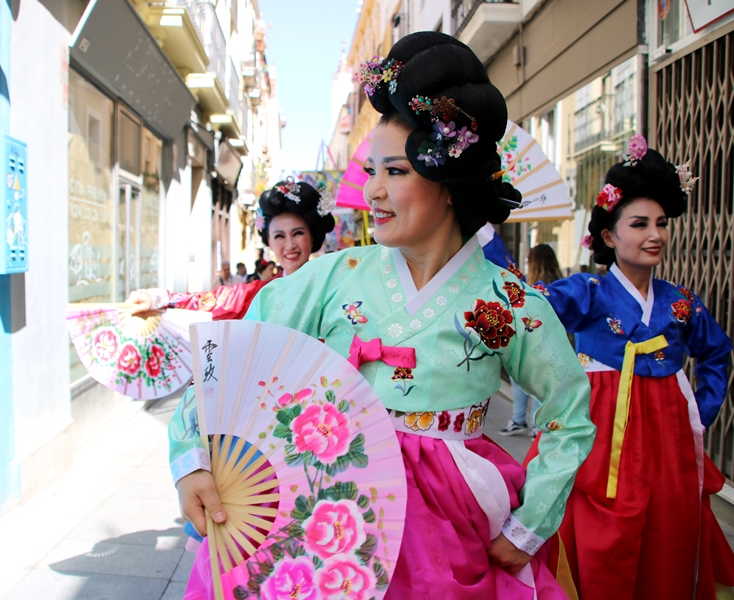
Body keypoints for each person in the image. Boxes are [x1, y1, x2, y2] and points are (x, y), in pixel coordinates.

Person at [170, 32, 595, 598]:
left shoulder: (509, 302)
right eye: (372, 171)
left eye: (394, 171)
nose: (372, 191)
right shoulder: (331, 279)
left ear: (446, 179)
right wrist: (192, 457)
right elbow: (230, 358)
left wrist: (531, 522)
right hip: (324, 504)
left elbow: (569, 410)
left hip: (448, 520)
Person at [525, 136, 734, 599]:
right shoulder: (589, 293)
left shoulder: (682, 304)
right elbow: (528, 314)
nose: (654, 234)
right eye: (639, 224)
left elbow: (718, 352)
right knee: (602, 539)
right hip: (602, 436)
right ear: (608, 236)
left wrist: (698, 411)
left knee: (670, 532)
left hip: (670, 440)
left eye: (661, 223)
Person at [127, 179, 335, 321]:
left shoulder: (335, 289)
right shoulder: (259, 294)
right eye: (279, 236)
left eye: (298, 233)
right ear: (269, 242)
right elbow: (210, 302)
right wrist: (157, 299)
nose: (289, 245)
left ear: (313, 236)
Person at [498, 244, 563, 438]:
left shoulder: (534, 287)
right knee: (537, 384)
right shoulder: (560, 284)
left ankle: (522, 421)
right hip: (551, 344)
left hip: (530, 342)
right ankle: (534, 423)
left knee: (523, 382)